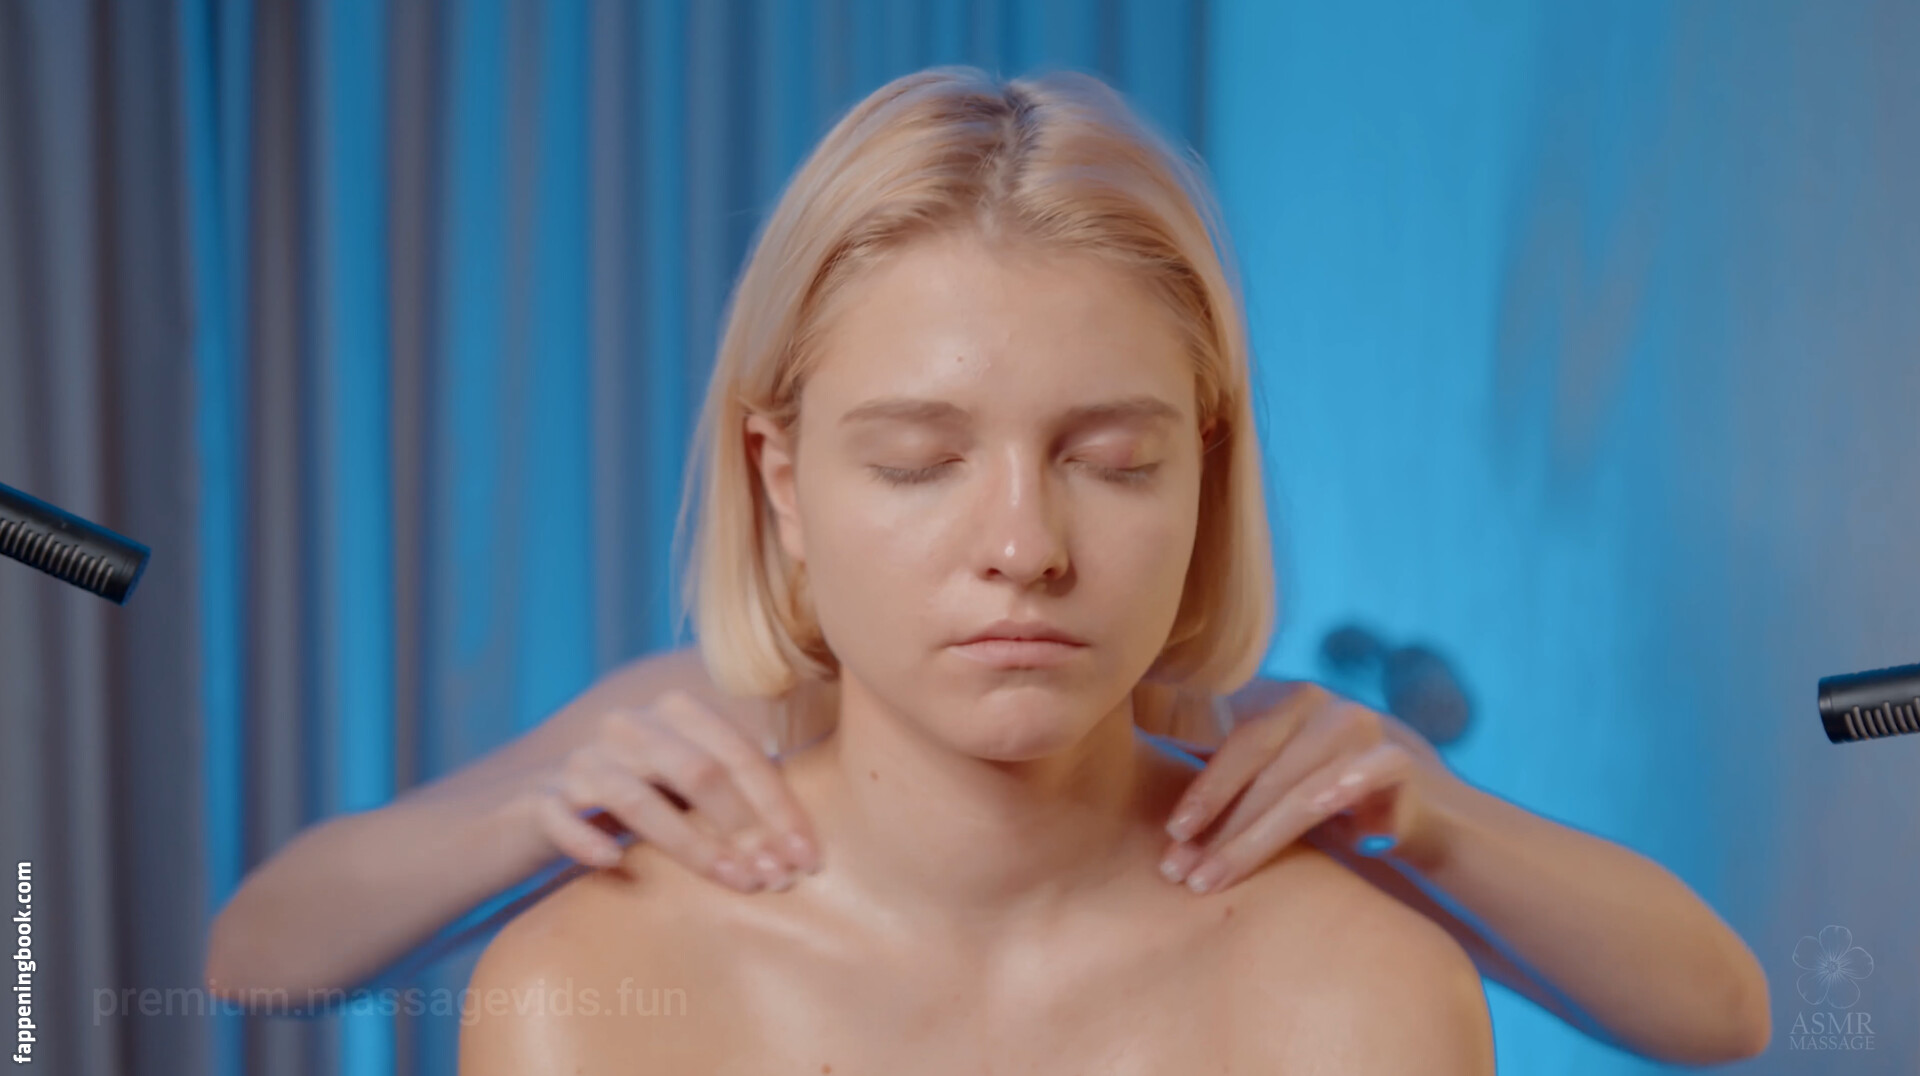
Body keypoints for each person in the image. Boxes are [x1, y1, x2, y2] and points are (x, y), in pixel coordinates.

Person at [206, 70, 1770, 1069]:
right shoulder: (664, 782)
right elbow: (255, 958)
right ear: (782, 481)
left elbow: (1722, 1012)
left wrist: (1436, 814)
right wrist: (526, 820)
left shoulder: (1301, 844)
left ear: (1208, 473)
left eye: (1115, 460)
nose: (1024, 551)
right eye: (914, 461)